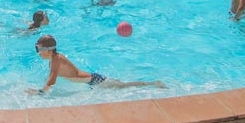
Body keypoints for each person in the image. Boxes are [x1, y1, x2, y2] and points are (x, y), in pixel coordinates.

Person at [29, 35, 163, 94]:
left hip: (96, 81)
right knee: (122, 86)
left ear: (49, 50)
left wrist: (39, 93)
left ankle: (153, 84)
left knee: (125, 86)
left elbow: (51, 81)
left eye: (39, 49)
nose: (38, 53)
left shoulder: (56, 60)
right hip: (92, 82)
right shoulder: (55, 59)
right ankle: (152, 84)